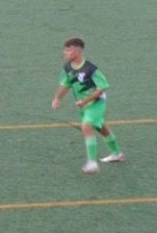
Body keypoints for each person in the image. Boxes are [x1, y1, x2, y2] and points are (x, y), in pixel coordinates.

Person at [51, 37, 124, 173]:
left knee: (86, 126)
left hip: (96, 103)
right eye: (65, 50)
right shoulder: (68, 67)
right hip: (84, 106)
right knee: (101, 127)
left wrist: (85, 101)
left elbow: (102, 87)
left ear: (76, 51)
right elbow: (64, 84)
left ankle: (92, 162)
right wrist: (57, 98)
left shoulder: (91, 69)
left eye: (68, 50)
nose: (64, 53)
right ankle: (117, 154)